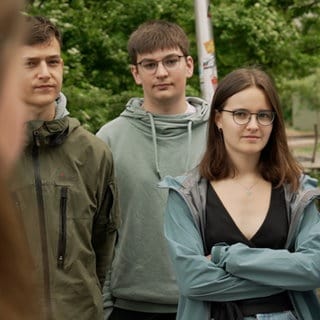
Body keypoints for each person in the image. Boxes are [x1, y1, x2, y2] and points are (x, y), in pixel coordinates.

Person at [161, 67, 320, 320]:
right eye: (241, 114)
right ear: (218, 119)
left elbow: (314, 269)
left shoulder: (298, 191)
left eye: (263, 115)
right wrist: (286, 274)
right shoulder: (186, 194)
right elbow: (192, 280)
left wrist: (227, 256)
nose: (253, 125)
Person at [97, 20, 209, 320]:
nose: (161, 73)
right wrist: (105, 305)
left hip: (209, 301)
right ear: (136, 73)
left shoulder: (221, 136)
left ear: (188, 65)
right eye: (149, 64)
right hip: (129, 306)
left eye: (170, 61)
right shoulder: (108, 139)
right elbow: (97, 230)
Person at [10, 15, 120, 320]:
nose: (45, 73)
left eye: (53, 62)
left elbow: (103, 245)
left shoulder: (93, 152)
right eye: (30, 64)